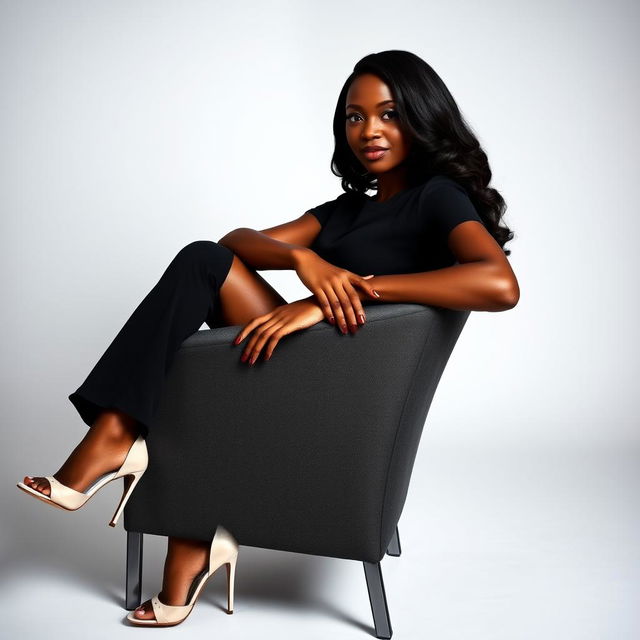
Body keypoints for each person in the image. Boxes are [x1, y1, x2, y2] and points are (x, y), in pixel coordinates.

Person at [17, 49, 519, 627]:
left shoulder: (438, 198)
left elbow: (499, 284)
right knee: (205, 263)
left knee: (199, 372)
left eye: (389, 113)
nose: (370, 130)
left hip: (347, 389)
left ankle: (155, 492)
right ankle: (128, 450)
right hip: (311, 371)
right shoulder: (345, 212)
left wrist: (342, 296)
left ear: (423, 117)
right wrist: (304, 260)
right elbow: (236, 241)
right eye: (354, 117)